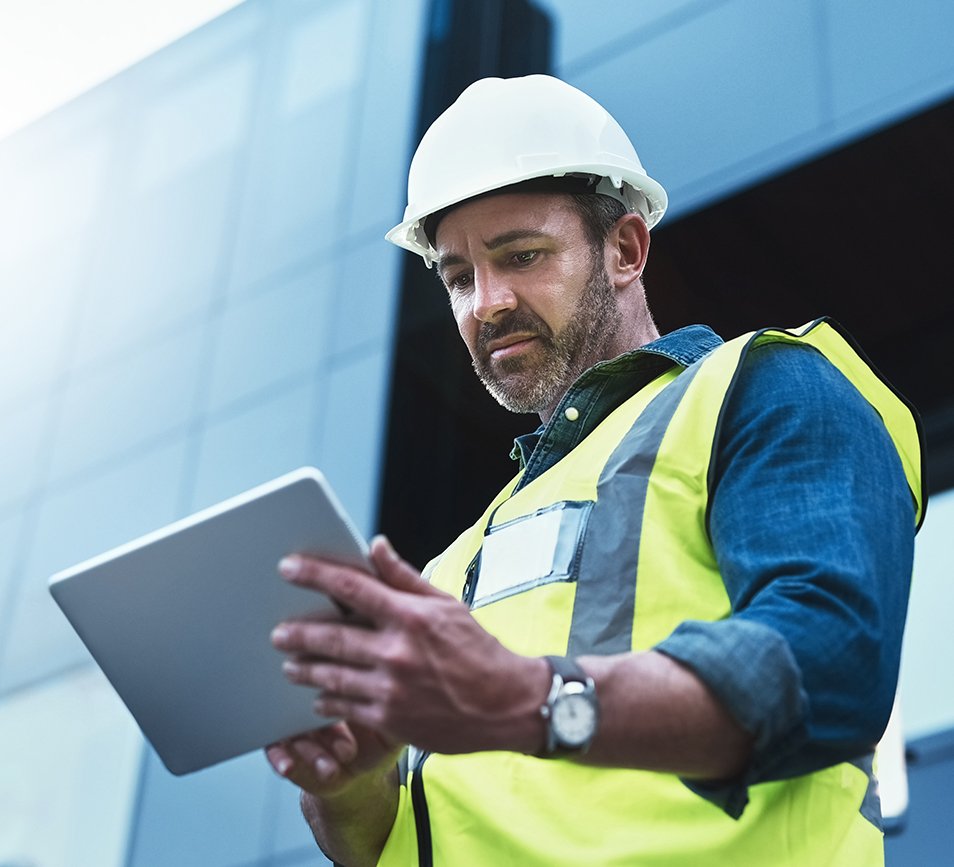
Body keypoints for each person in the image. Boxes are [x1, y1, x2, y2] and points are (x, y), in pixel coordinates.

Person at [264, 75, 925, 866]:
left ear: (625, 249)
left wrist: (527, 699)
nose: (486, 303)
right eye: (459, 277)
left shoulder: (762, 388)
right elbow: (392, 845)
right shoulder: (449, 570)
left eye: (521, 256)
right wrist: (348, 787)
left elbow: (830, 663)